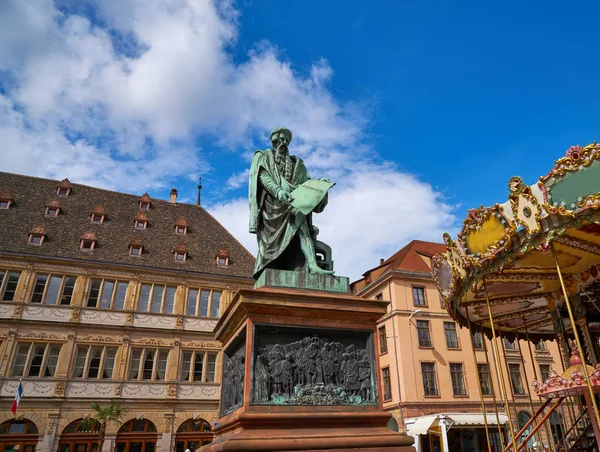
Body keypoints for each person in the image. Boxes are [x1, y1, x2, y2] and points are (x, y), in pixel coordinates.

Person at [248, 127, 334, 279]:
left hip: (293, 203)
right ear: (273, 141)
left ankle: (313, 265)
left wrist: (319, 184)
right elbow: (263, 177)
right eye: (279, 139)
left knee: (303, 229)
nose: (282, 142)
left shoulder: (297, 164)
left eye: (285, 140)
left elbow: (307, 184)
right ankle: (271, 266)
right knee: (271, 247)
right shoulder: (264, 156)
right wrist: (278, 191)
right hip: (273, 207)